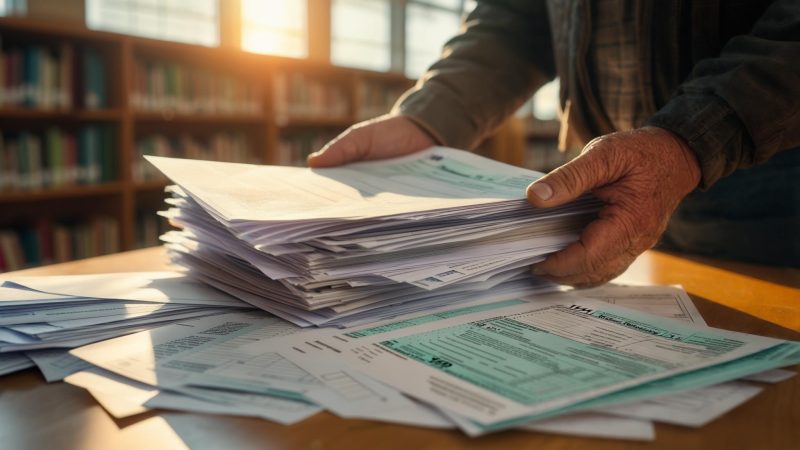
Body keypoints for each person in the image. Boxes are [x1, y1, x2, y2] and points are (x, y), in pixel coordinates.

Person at [308, 0, 800, 287]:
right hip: (630, 193)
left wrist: (690, 140)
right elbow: (517, 21)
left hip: (775, 198)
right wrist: (429, 119)